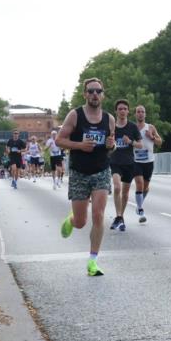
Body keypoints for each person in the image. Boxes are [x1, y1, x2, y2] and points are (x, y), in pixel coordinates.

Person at [57, 78, 115, 276]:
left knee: (98, 215)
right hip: (79, 172)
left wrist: (111, 145)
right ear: (85, 94)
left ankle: (93, 261)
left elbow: (110, 147)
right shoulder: (75, 115)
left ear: (103, 95)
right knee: (82, 221)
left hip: (101, 170)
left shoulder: (109, 119)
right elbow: (59, 140)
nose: (95, 95)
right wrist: (80, 146)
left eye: (98, 91)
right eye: (91, 91)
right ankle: (71, 221)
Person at [108, 100, 142, 231]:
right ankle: (118, 216)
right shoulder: (111, 128)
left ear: (128, 111)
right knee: (117, 187)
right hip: (115, 162)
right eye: (120, 109)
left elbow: (140, 145)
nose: (122, 111)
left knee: (126, 192)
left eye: (125, 109)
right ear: (116, 111)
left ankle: (120, 217)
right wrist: (110, 146)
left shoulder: (132, 127)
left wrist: (130, 142)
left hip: (129, 163)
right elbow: (107, 145)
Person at [133, 104, 163, 223]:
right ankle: (140, 209)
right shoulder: (132, 127)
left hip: (149, 161)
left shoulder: (150, 127)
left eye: (142, 112)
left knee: (145, 188)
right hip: (136, 160)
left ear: (145, 114)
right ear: (135, 114)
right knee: (139, 184)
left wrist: (152, 137)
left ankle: (138, 205)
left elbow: (160, 142)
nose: (140, 113)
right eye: (138, 112)